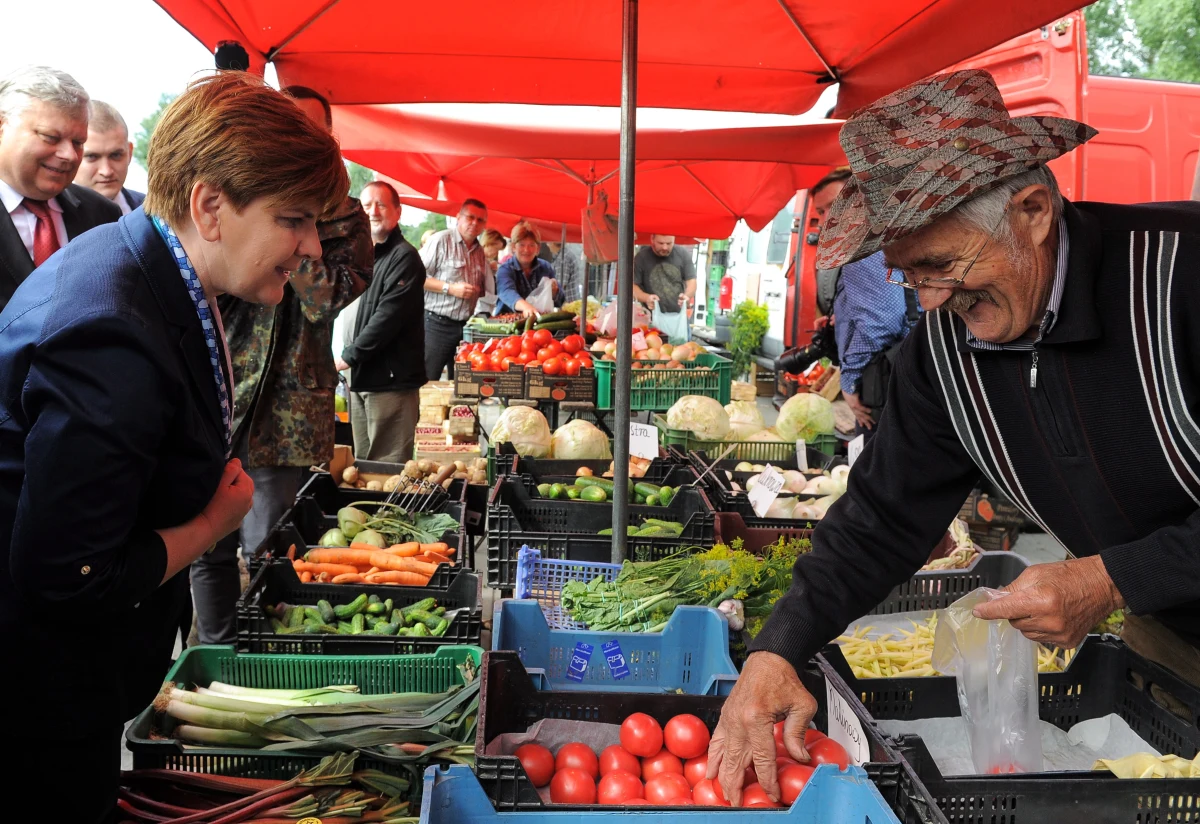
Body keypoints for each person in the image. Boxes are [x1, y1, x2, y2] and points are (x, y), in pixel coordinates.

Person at [709, 67, 1200, 804]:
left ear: (1033, 210)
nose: (932, 299)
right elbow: (880, 518)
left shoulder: (1181, 277)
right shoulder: (940, 354)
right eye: (909, 276)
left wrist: (1110, 577)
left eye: (940, 264)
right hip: (1171, 642)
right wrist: (779, 649)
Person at [0, 71, 347, 821]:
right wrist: (209, 528)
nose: (313, 246)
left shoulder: (152, 273)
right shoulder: (113, 328)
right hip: (40, 699)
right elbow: (69, 572)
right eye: (294, 220)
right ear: (210, 206)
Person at [193, 84, 372, 646]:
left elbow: (327, 299)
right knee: (208, 539)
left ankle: (269, 646)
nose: (297, 138)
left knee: (272, 539)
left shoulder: (345, 218)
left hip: (290, 403)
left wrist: (291, 230)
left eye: (312, 130)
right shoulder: (237, 198)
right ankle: (218, 645)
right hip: (226, 383)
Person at [0, 66, 120, 312]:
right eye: (50, 137)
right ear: (2, 127)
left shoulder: (103, 215)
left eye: (78, 142)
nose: (69, 155)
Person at [337, 181, 426, 461]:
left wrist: (349, 356)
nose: (373, 211)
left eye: (381, 204)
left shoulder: (405, 258)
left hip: (391, 382)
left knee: (387, 468)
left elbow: (388, 316)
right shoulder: (360, 255)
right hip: (361, 377)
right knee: (364, 466)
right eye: (366, 205)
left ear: (397, 212)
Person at [421, 198, 489, 379]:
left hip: (465, 326)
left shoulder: (479, 251)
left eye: (480, 220)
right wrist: (449, 288)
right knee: (429, 380)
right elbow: (415, 276)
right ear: (458, 217)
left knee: (461, 383)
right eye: (470, 217)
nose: (475, 223)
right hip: (435, 324)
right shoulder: (440, 241)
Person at [74, 99, 143, 214]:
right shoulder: (50, 221)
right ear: (72, 154)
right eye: (92, 157)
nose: (106, 171)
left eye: (116, 155)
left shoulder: (156, 215)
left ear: (130, 153)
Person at [495, 221, 562, 316]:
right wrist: (526, 307)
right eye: (522, 245)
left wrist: (555, 292)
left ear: (538, 248)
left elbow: (560, 300)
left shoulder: (546, 267)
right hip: (507, 322)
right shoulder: (505, 269)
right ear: (514, 247)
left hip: (539, 322)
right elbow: (506, 292)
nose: (526, 250)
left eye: (531, 245)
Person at [632, 234, 696, 314]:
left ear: (674, 240)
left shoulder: (683, 254)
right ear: (652, 239)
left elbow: (692, 282)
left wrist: (687, 296)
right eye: (661, 243)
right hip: (650, 316)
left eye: (669, 243)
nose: (665, 247)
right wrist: (647, 298)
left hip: (679, 315)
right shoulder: (641, 257)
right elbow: (633, 287)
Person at [475, 226, 506, 316]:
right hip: (480, 309)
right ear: (488, 243)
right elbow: (478, 291)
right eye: (496, 249)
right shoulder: (478, 261)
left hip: (486, 308)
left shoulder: (485, 261)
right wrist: (498, 300)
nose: (496, 253)